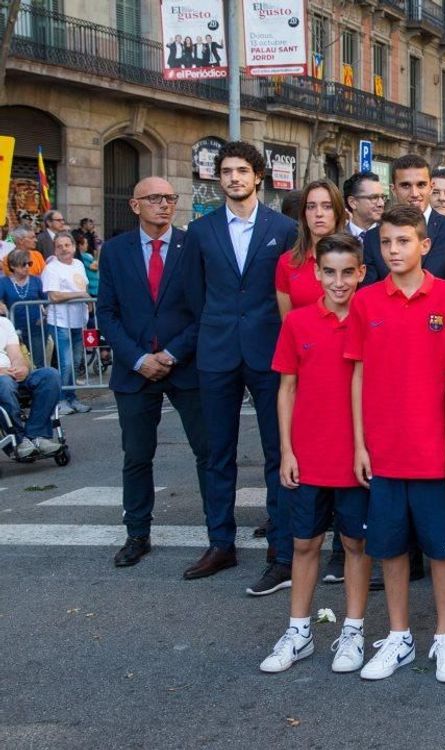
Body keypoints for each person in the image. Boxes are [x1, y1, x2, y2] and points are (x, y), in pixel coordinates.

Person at [346, 206, 445, 683]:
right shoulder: (365, 301)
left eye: (403, 241)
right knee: (391, 551)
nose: (393, 251)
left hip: (435, 451)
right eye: (386, 243)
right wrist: (360, 444)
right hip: (384, 451)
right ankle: (398, 636)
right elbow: (357, 375)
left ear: (425, 245)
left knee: (442, 552)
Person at [182, 141, 299, 590]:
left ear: (258, 177)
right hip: (216, 353)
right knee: (217, 454)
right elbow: (194, 293)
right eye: (226, 171)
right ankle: (220, 543)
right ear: (219, 179)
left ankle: (281, 546)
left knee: (278, 451)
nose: (233, 178)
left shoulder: (285, 228)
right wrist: (212, 331)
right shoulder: (201, 231)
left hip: (269, 352)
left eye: (242, 171)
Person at [258, 232, 371, 674]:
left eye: (348, 272)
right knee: (304, 542)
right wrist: (286, 450)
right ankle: (299, 630)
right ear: (316, 273)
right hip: (308, 452)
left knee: (355, 543)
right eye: (330, 272)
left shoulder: (370, 318)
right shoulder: (298, 323)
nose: (339, 282)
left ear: (361, 273)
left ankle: (354, 630)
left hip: (356, 455)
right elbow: (285, 390)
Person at [97, 177, 209, 569]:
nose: (164, 204)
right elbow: (106, 314)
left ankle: (218, 536)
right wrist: (139, 358)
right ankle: (137, 534)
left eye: (170, 198)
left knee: (207, 452)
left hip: (184, 364)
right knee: (137, 456)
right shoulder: (114, 251)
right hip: (135, 369)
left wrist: (173, 353)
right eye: (155, 198)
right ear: (134, 205)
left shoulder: (192, 246)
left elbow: (203, 309)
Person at [361, 155, 445, 293]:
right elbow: (370, 295)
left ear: (431, 187)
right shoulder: (373, 237)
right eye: (405, 185)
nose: (414, 193)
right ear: (393, 189)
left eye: (421, 185)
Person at [276, 180, 347, 316]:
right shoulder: (287, 263)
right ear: (304, 214)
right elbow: (288, 324)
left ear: (337, 213)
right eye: (311, 207)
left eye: (327, 206)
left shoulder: (355, 258)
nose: (318, 213)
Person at [41, 233, 91, 415]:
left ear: (73, 247)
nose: (64, 249)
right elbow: (54, 296)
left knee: (76, 362)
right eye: (60, 246)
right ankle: (61, 400)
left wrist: (87, 301)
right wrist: (79, 296)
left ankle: (72, 398)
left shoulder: (78, 264)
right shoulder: (51, 269)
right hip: (60, 322)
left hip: (78, 320)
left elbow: (83, 287)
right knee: (66, 363)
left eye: (67, 245)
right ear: (55, 249)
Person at [0, 314, 62, 459]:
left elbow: (16, 354)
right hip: (3, 381)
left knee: (50, 375)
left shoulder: (4, 323)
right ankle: (19, 441)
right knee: (4, 383)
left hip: (11, 374)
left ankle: (36, 435)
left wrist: (21, 367)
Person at [0, 248, 47, 368]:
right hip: (13, 328)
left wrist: (44, 316)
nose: (27, 267)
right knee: (17, 362)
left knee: (38, 362)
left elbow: (47, 301)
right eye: (23, 264)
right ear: (13, 266)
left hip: (36, 327)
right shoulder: (4, 282)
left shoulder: (36, 281)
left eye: (29, 264)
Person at [342, 172, 385, 239]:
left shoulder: (390, 236)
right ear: (352, 202)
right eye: (374, 197)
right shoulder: (337, 240)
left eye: (382, 197)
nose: (381, 203)